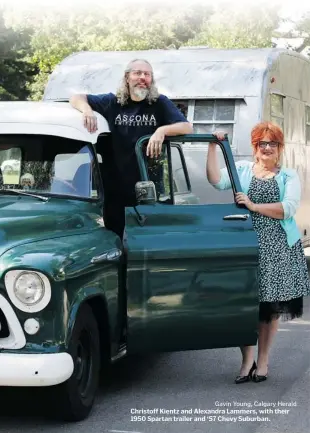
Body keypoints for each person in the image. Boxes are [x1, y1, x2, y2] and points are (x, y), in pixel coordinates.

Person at [207, 122, 310, 383]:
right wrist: (212, 145)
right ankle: (247, 361)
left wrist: (252, 205)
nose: (266, 148)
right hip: (246, 245)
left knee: (268, 308)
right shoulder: (242, 169)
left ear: (279, 148)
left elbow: (287, 208)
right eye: (261, 143)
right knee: (245, 306)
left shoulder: (288, 176)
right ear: (255, 147)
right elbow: (216, 180)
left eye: (272, 143)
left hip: (277, 248)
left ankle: (262, 361)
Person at [69, 59, 193, 236]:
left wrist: (162, 130)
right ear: (127, 77)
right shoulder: (112, 102)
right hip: (114, 192)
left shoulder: (159, 103)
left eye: (147, 74)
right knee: (117, 240)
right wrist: (87, 110)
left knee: (149, 243)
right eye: (137, 73)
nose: (142, 78)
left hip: (149, 191)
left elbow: (187, 127)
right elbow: (76, 97)